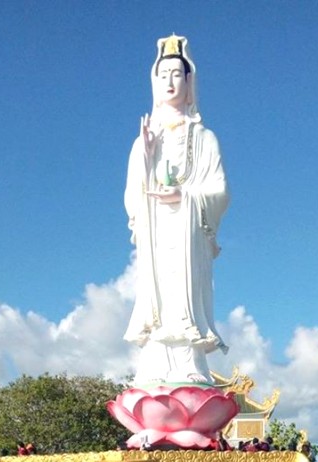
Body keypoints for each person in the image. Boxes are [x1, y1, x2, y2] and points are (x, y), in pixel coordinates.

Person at [124, 34, 230, 384]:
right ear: (154, 82)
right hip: (157, 231)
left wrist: (185, 196)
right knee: (159, 297)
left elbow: (219, 190)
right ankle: (155, 366)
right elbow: (132, 198)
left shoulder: (205, 138)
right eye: (163, 74)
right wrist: (145, 157)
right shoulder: (143, 140)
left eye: (177, 74)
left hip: (188, 233)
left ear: (189, 82)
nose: (170, 81)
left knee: (183, 296)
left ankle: (190, 367)